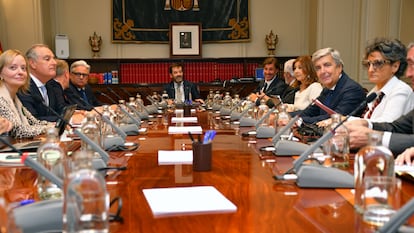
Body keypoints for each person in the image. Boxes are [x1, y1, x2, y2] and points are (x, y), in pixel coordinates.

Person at [346, 42, 414, 160]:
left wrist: (372, 136)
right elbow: (395, 127)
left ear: (395, 66)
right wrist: (366, 124)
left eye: (378, 63)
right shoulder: (375, 91)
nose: (408, 74)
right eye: (369, 64)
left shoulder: (402, 90)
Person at [297, 48, 366, 124]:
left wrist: (299, 121)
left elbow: (334, 119)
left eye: (327, 65)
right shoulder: (327, 88)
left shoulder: (352, 90)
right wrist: (288, 117)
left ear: (339, 67)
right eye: (318, 68)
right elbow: (310, 111)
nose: (322, 71)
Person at [0, 49, 49, 138]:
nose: (20, 72)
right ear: (0, 73)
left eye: (23, 68)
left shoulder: (15, 98)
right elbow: (17, 131)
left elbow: (35, 122)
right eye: (13, 68)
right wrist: (48, 128)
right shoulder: (1, 99)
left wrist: (54, 125)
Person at [17, 44, 60, 122]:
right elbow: (32, 119)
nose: (54, 63)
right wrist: (65, 120)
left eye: (54, 58)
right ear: (32, 63)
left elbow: (59, 110)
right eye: (47, 59)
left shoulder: (51, 85)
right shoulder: (23, 87)